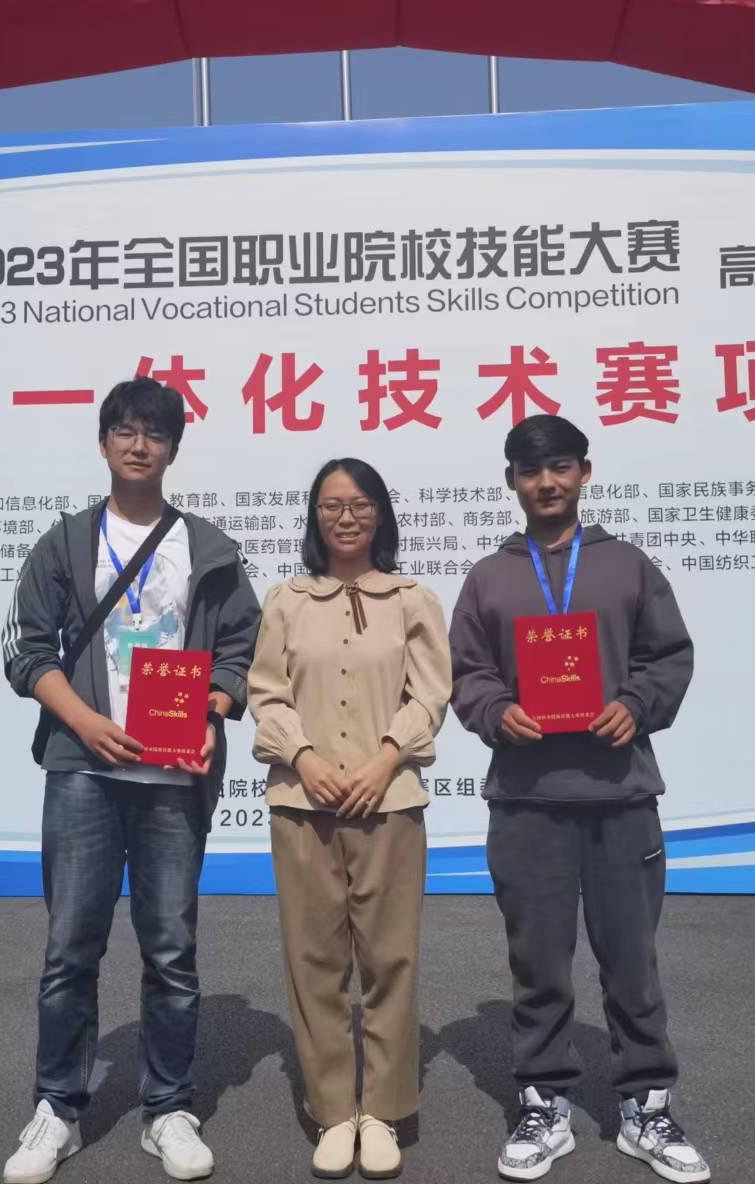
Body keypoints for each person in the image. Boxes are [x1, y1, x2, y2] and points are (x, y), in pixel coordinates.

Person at [0, 377, 261, 1184]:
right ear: (104, 442)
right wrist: (83, 722)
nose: (139, 444)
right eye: (125, 430)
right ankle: (57, 1108)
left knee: (172, 951)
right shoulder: (65, 543)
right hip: (83, 768)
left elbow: (242, 647)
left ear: (174, 448)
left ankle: (169, 1109)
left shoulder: (207, 547)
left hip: (172, 777)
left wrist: (215, 708)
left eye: (154, 433)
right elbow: (25, 649)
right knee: (70, 947)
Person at [448, 415, 710, 1184]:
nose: (547, 483)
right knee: (539, 965)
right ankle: (544, 1101)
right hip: (526, 800)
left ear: (584, 472)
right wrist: (496, 711)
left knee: (632, 963)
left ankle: (647, 1106)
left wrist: (637, 703)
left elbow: (669, 656)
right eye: (531, 471)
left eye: (560, 467)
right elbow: (466, 672)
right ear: (512, 482)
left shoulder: (627, 566)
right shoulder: (489, 578)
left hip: (621, 795)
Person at [248, 458, 452, 1181]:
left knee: (390, 961)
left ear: (380, 515)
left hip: (388, 803)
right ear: (314, 516)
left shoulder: (413, 600)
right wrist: (302, 758)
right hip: (302, 805)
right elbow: (266, 694)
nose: (345, 516)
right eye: (331, 505)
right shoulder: (285, 601)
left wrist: (383, 761)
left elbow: (430, 696)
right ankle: (335, 1110)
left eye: (360, 504)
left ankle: (383, 1111)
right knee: (314, 961)